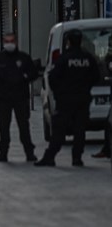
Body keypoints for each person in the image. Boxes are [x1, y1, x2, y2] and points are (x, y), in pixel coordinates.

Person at [36, 29, 100, 167]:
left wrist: (59, 93)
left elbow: (52, 78)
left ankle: (50, 157)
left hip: (65, 100)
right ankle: (77, 158)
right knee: (80, 130)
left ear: (68, 42)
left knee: (59, 130)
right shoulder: (88, 58)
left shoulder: (64, 59)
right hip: (82, 99)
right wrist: (85, 88)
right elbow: (96, 77)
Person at [0, 33, 39, 162]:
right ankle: (3, 153)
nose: (9, 43)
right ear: (4, 42)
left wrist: (25, 77)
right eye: (7, 41)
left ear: (16, 42)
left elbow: (34, 73)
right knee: (3, 127)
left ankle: (29, 153)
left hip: (20, 98)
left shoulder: (23, 57)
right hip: (3, 98)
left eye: (12, 41)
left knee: (24, 127)